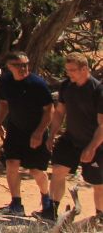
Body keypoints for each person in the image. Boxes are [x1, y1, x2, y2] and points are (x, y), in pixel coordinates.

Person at [40, 53, 103, 223]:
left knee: (98, 183)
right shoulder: (67, 86)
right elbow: (60, 112)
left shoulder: (97, 90)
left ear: (85, 69)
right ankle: (50, 212)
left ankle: (100, 216)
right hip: (71, 139)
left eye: (73, 70)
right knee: (58, 170)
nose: (69, 73)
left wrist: (91, 148)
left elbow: (102, 125)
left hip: (95, 142)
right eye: (67, 70)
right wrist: (52, 134)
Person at [0, 50, 55, 216]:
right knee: (11, 164)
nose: (23, 68)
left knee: (36, 170)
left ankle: (46, 200)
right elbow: (3, 103)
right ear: (9, 66)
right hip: (15, 129)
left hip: (36, 130)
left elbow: (50, 109)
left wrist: (39, 132)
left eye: (25, 65)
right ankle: (16, 204)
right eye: (19, 65)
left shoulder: (37, 84)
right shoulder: (5, 80)